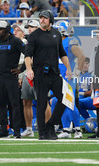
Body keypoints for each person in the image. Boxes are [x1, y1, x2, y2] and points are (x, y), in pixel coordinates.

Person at [25, 10, 72, 140]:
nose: (42, 20)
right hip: (40, 73)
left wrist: (68, 69)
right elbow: (28, 55)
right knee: (41, 103)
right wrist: (29, 69)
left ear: (50, 20)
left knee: (65, 98)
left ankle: (50, 125)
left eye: (45, 18)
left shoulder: (56, 34)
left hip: (55, 72)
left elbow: (62, 53)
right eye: (40, 18)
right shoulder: (34, 35)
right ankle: (42, 133)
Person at [0, 20, 26, 139]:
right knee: (2, 104)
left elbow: (28, 53)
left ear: (7, 30)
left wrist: (21, 69)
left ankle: (16, 131)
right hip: (0, 77)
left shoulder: (15, 41)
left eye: (1, 29)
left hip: (11, 77)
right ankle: (3, 131)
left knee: (14, 104)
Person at [53, 21, 85, 139]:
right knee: (60, 102)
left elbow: (81, 56)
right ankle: (66, 129)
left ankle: (77, 129)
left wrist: (76, 72)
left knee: (69, 103)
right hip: (58, 76)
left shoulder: (70, 41)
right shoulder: (57, 42)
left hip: (68, 77)